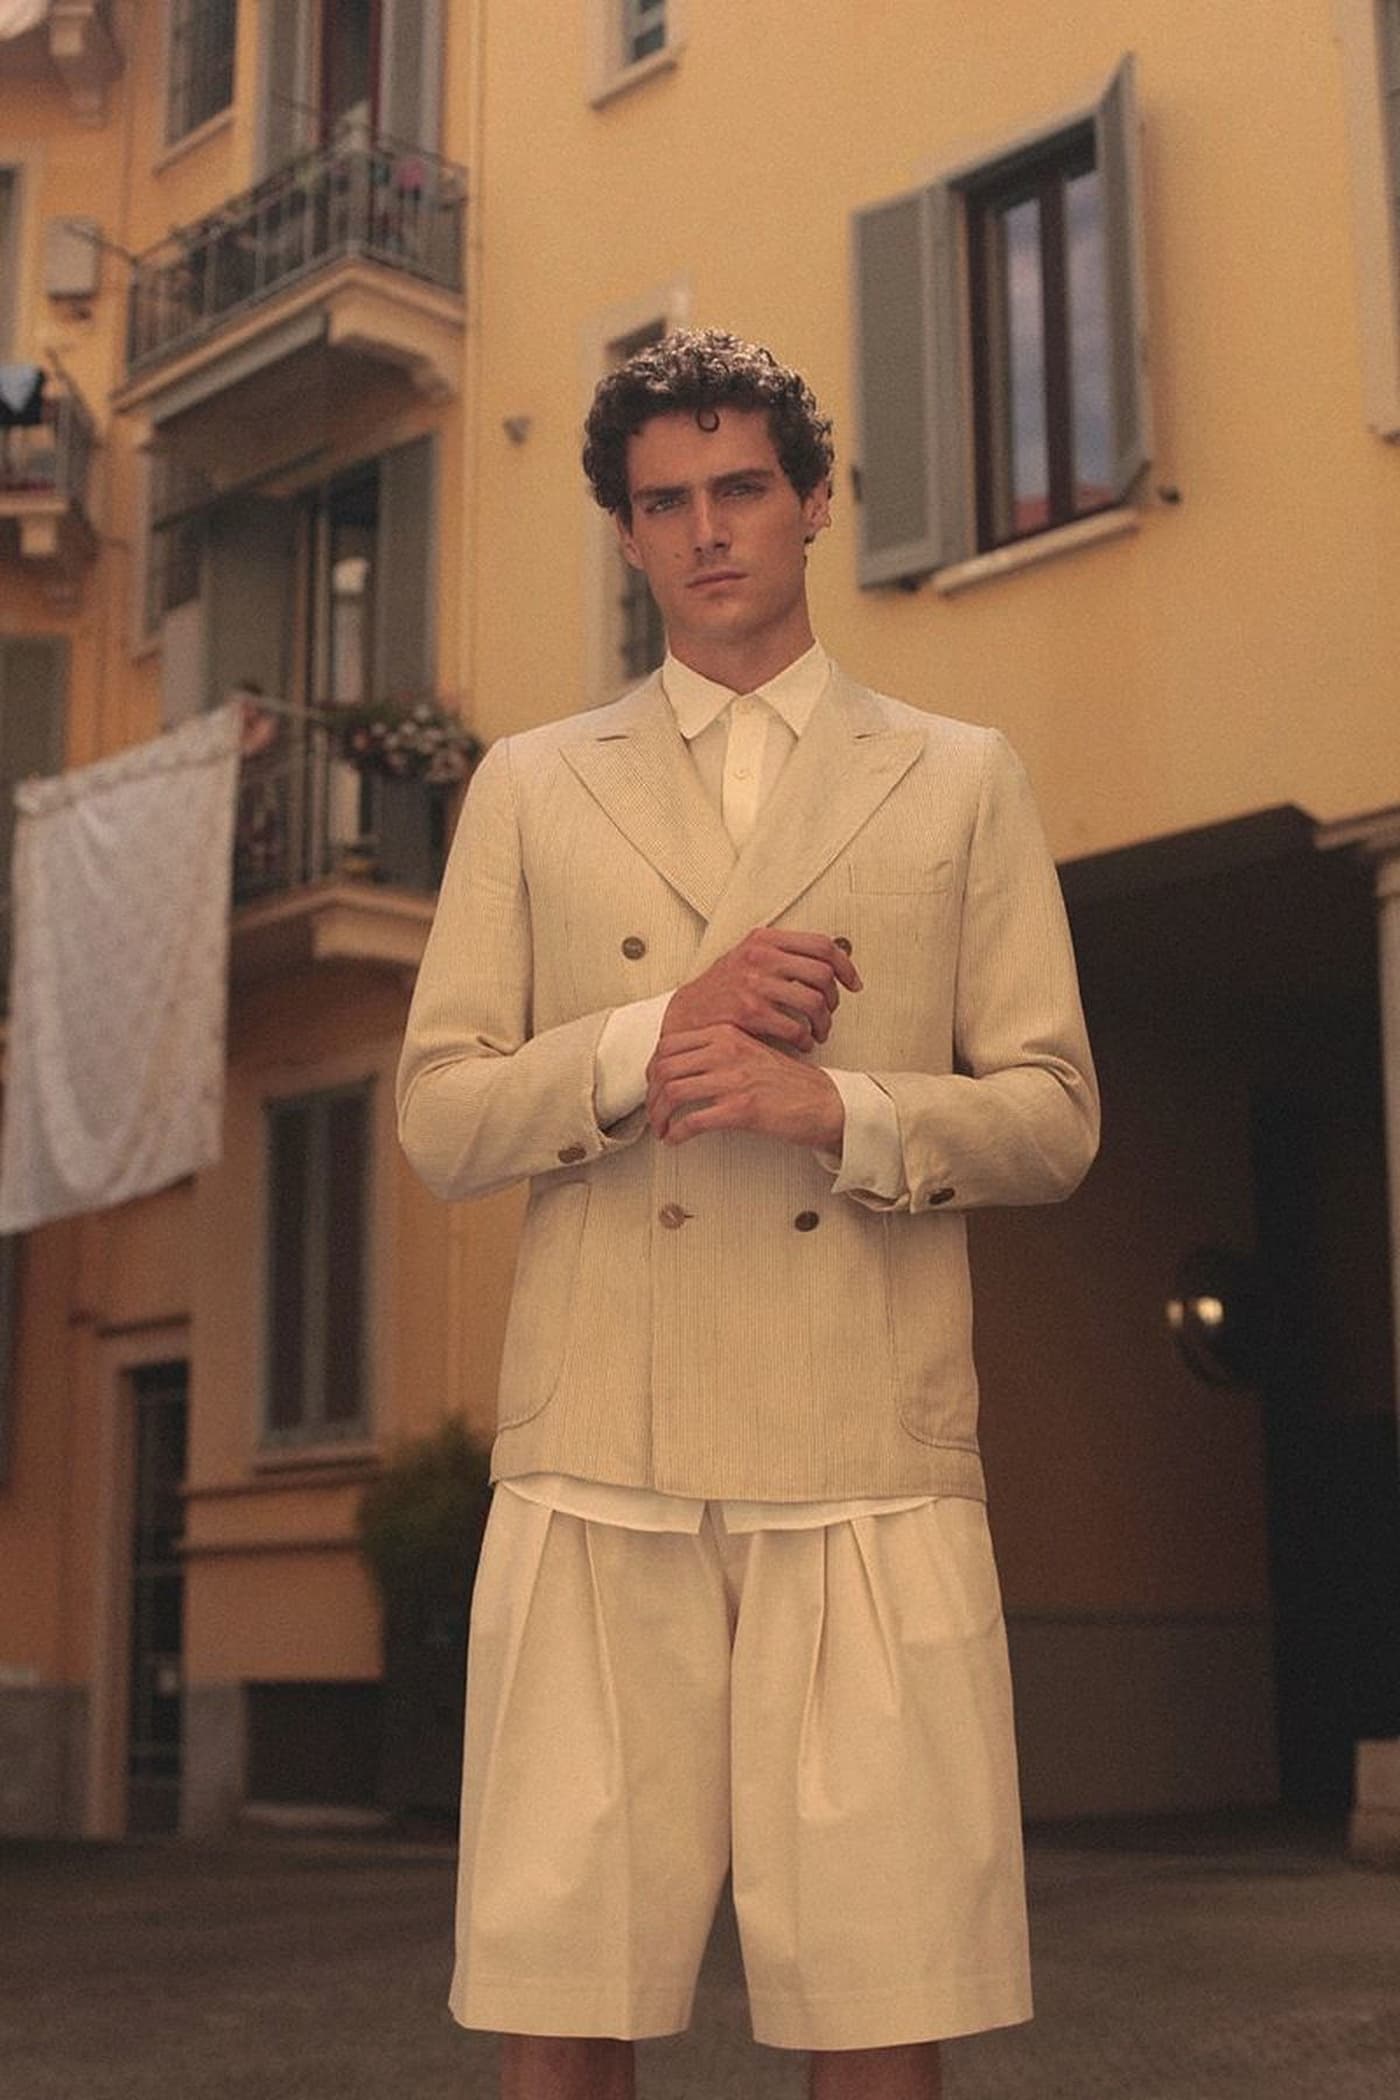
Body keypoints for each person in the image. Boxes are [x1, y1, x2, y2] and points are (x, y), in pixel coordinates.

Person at [397, 329, 1099, 2100]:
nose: (706, 530)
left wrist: (838, 1110)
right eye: (665, 503)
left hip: (864, 1451)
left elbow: (1054, 1117)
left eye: (740, 488)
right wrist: (661, 1032)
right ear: (625, 536)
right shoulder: (532, 783)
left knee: (879, 1999)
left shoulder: (958, 772)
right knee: (563, 1998)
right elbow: (440, 1120)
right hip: (595, 1452)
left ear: (814, 503)